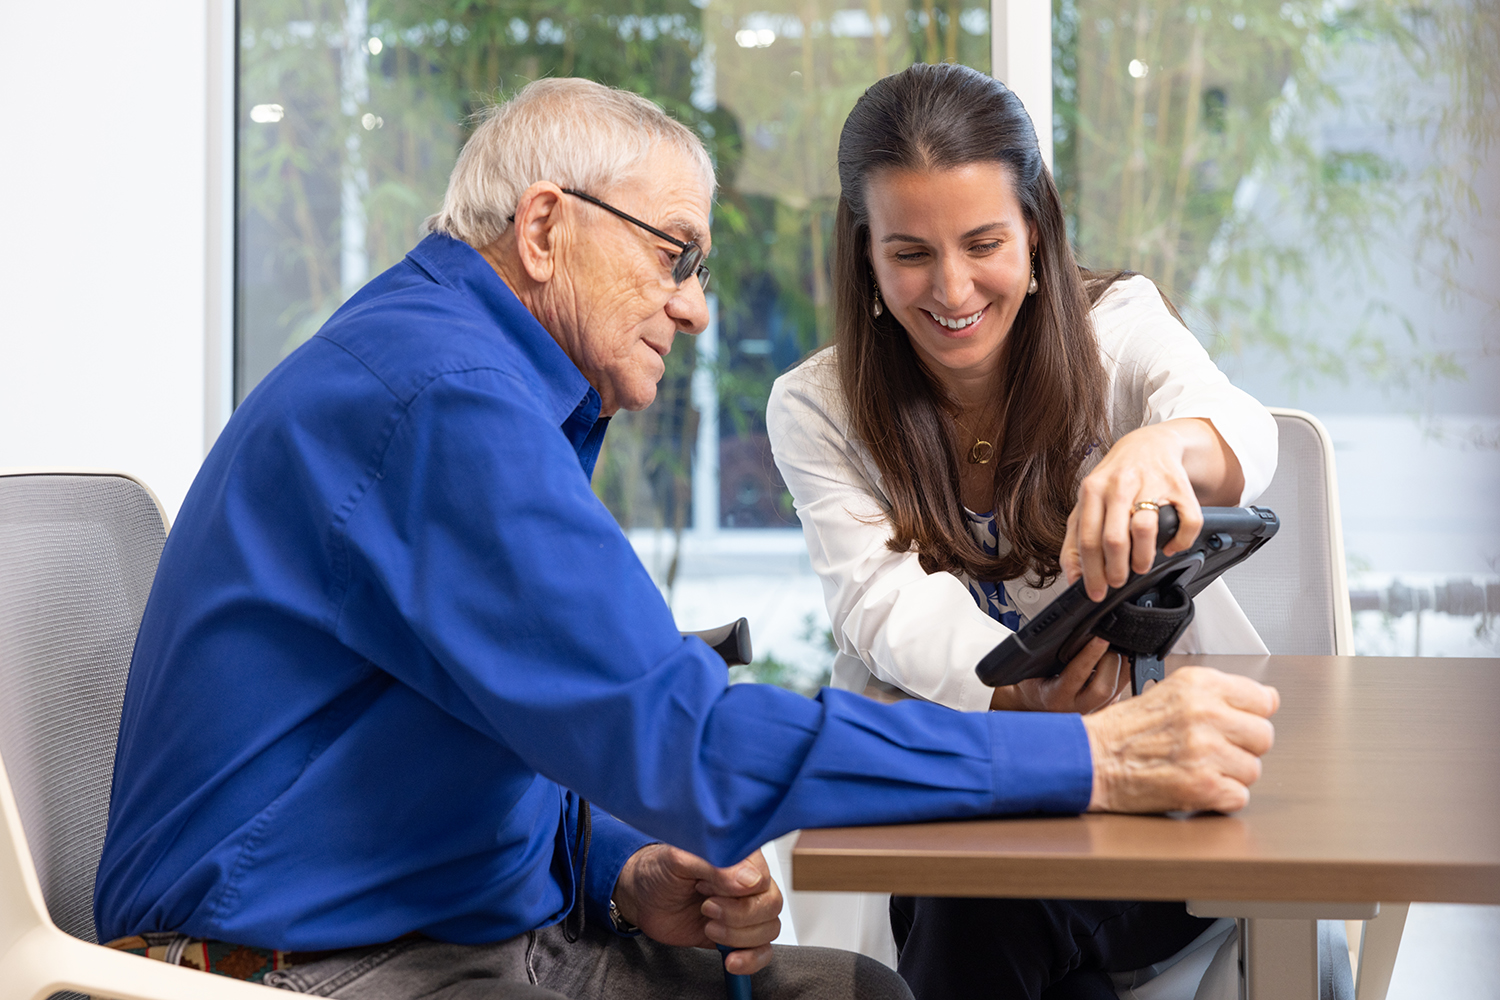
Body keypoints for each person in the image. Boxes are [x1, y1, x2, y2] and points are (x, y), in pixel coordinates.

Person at [95, 77, 1278, 1000]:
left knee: (866, 985)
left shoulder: (474, 382)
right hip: (310, 969)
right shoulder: (442, 402)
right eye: (674, 254)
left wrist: (619, 867)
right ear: (547, 227)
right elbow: (692, 746)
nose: (697, 304)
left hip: (434, 930)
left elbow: (513, 719)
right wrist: (1097, 761)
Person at [767, 64, 1279, 999]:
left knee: (978, 903)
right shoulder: (817, 406)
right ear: (867, 258)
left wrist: (1163, 448)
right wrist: (1024, 708)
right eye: (910, 252)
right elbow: (879, 604)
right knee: (975, 900)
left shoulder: (1117, 330)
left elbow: (1240, 426)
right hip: (952, 791)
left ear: (1035, 235)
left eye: (984, 242)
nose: (952, 287)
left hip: (1150, 814)